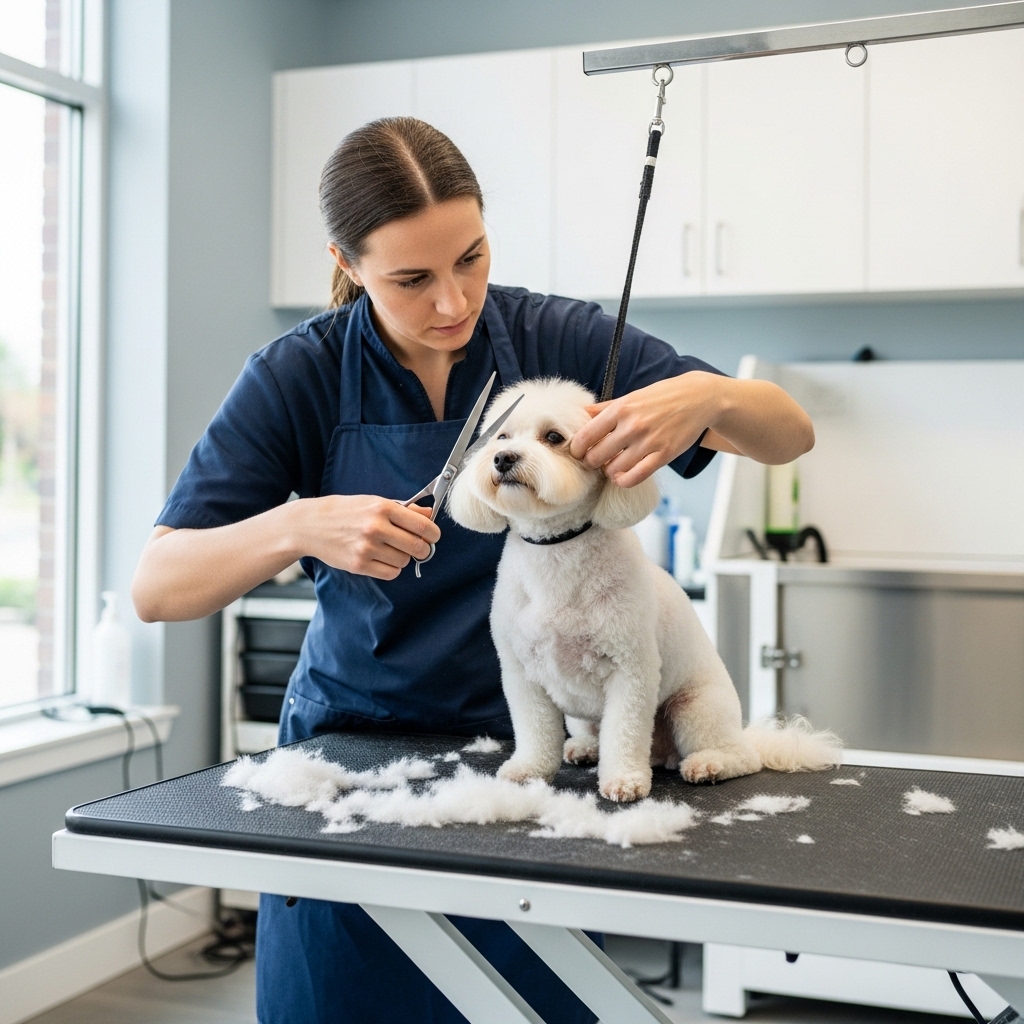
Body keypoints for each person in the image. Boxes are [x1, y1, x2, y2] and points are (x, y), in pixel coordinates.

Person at [132, 117, 814, 1024]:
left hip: (528, 765)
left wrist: (715, 396)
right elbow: (159, 586)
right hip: (354, 755)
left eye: (472, 258)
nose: (453, 302)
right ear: (347, 261)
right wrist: (299, 524)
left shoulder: (558, 338)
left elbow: (787, 434)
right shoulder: (300, 375)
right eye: (411, 279)